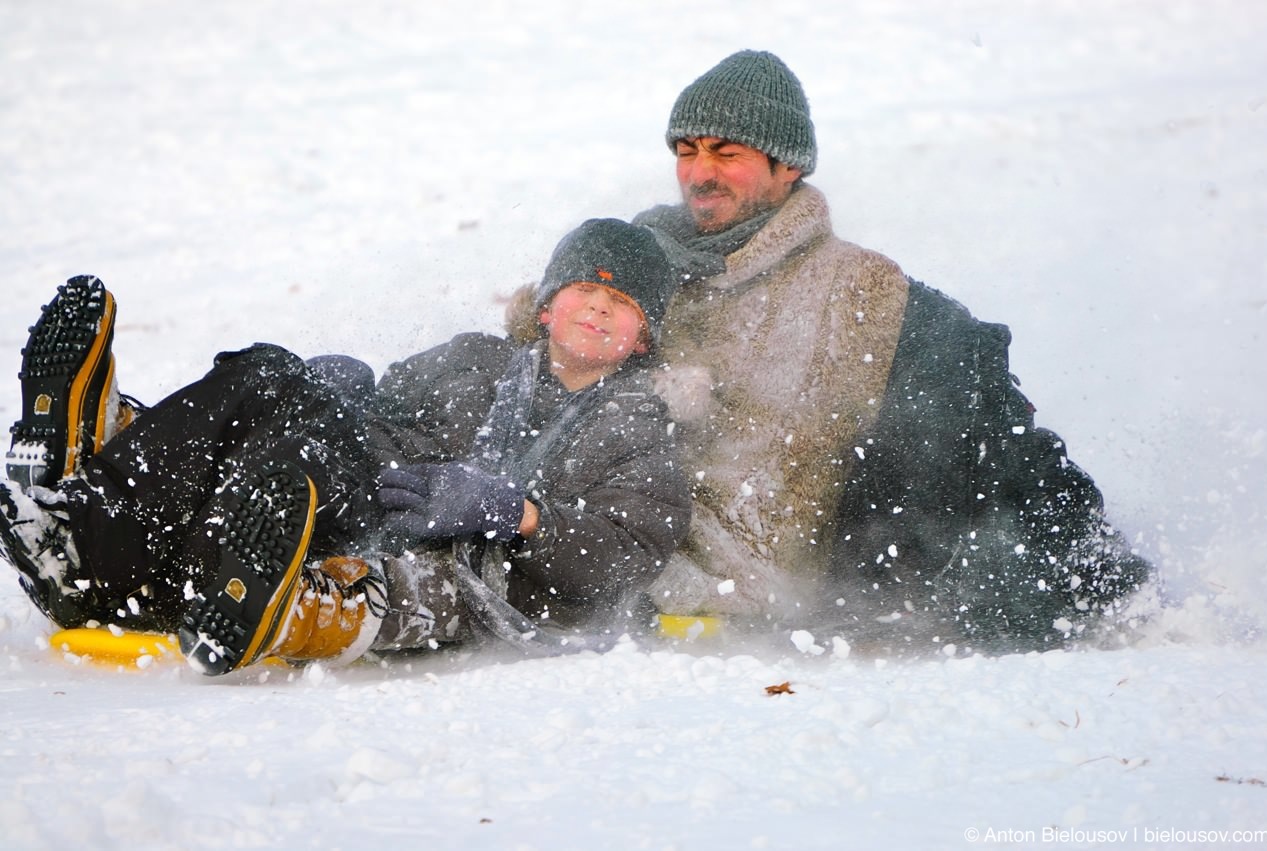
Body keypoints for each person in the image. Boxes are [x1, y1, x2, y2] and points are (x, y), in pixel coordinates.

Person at [506, 50, 1152, 650]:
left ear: (787, 166)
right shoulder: (629, 262)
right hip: (591, 544)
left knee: (960, 422)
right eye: (687, 149)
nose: (700, 172)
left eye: (727, 152)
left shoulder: (861, 289)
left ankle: (1093, 591)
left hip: (742, 589)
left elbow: (998, 441)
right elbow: (517, 380)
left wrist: (1097, 582)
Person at [0, 218, 690, 673]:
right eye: (583, 289)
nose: (599, 306)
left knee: (289, 444)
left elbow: (628, 552)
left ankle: (100, 530)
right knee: (271, 374)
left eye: (623, 302)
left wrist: (520, 514)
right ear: (546, 307)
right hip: (354, 477)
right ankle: (89, 494)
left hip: (410, 546)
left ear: (643, 335)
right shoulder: (476, 358)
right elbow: (380, 402)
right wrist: (341, 388)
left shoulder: (638, 430)